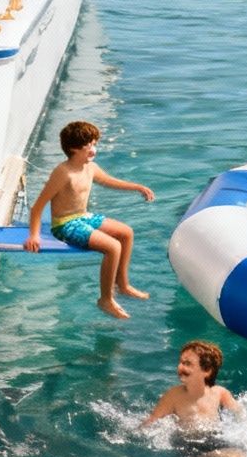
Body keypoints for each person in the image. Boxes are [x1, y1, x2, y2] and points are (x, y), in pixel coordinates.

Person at [24, 120, 154, 318]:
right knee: (113, 247)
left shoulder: (90, 167)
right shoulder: (63, 173)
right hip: (65, 224)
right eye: (89, 146)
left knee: (126, 233)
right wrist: (34, 236)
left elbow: (109, 181)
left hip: (84, 217)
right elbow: (38, 207)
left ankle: (123, 284)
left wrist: (137, 187)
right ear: (73, 149)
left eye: (94, 144)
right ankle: (105, 299)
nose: (94, 149)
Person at [143, 340, 246, 457]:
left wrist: (243, 421)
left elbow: (240, 414)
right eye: (181, 362)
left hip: (214, 439)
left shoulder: (220, 393)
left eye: (188, 364)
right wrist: (136, 431)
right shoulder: (173, 396)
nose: (181, 367)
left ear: (207, 371)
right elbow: (152, 421)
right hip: (187, 444)